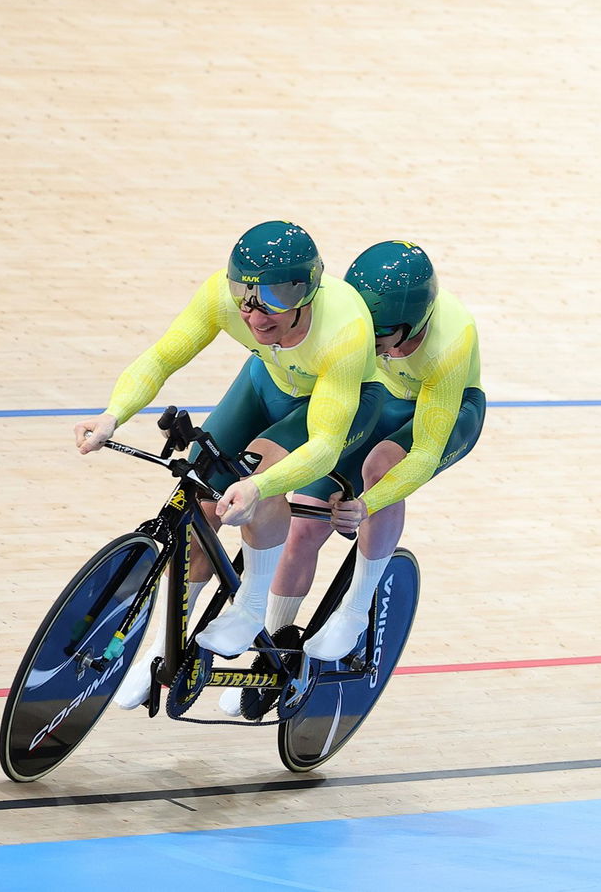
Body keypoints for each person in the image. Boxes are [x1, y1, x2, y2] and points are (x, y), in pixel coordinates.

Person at [72, 220, 386, 709]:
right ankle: (160, 649)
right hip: (267, 381)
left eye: (276, 296)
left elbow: (324, 446)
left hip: (337, 406)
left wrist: (260, 488)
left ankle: (253, 604)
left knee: (259, 474)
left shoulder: (343, 327)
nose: (255, 311)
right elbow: (161, 357)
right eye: (246, 292)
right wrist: (113, 414)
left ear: (307, 292)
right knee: (199, 496)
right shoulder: (224, 298)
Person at [216, 239, 485, 715]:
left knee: (382, 464)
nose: (373, 343)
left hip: (442, 410)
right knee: (304, 527)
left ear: (415, 324)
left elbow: (422, 454)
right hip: (376, 400)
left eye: (383, 339)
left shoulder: (451, 338)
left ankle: (356, 608)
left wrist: (368, 503)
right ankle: (272, 650)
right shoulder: (348, 315)